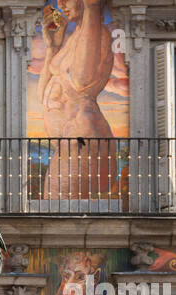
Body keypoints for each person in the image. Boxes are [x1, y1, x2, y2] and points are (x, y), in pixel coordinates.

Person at [39, 0, 116, 200]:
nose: (61, 3)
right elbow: (44, 98)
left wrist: (92, 8)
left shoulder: (97, 33)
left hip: (80, 138)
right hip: (71, 140)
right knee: (54, 213)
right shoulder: (74, 37)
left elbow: (82, 80)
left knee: (57, 214)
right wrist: (52, 48)